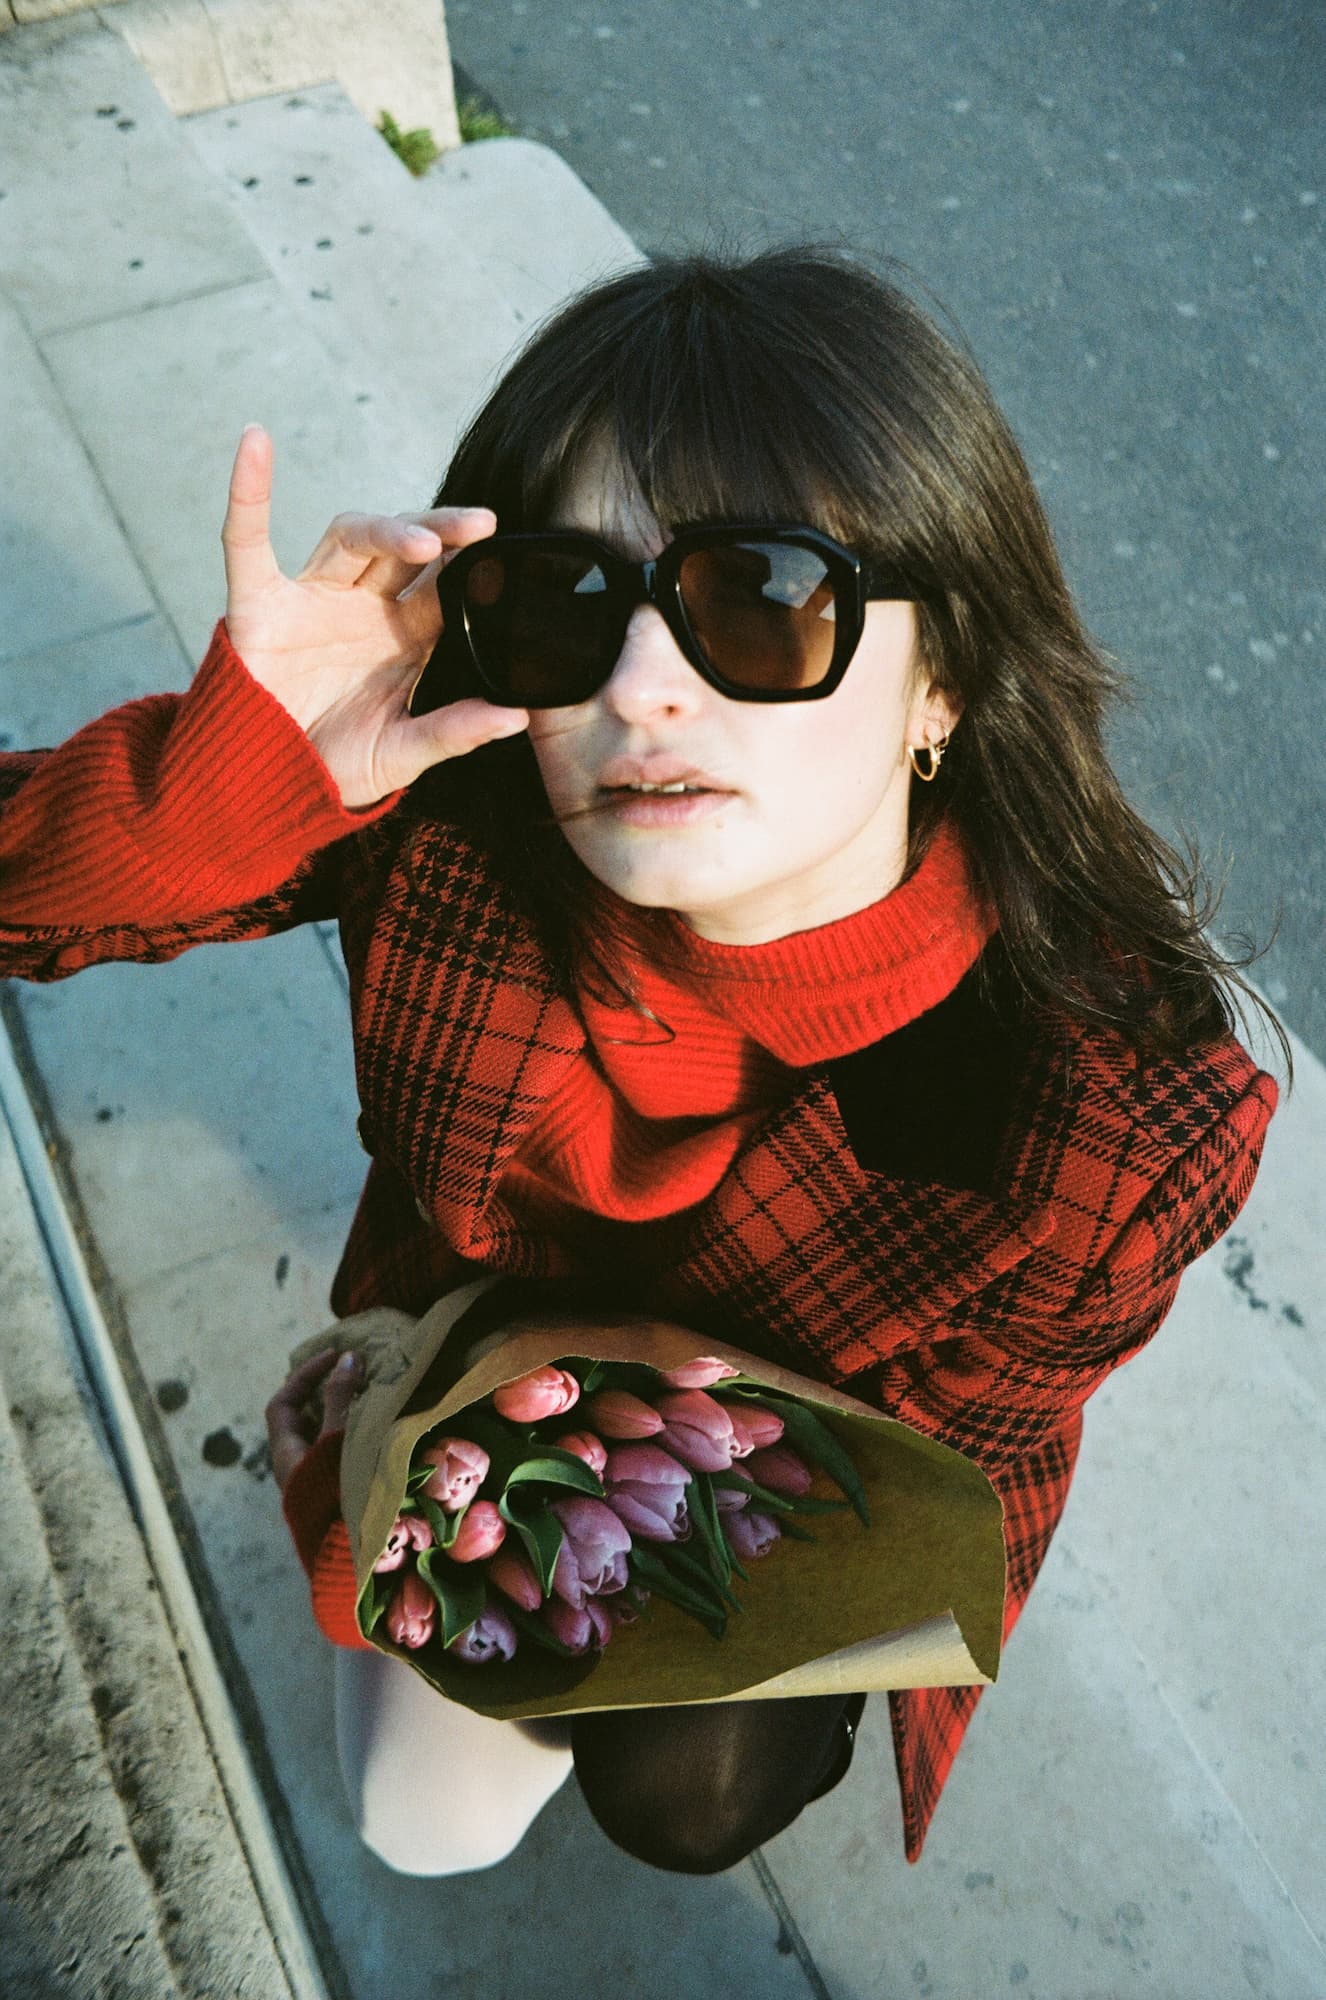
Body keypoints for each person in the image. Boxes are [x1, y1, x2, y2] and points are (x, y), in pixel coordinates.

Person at [0, 247, 1282, 1879]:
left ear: (942, 679)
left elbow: (919, 1475)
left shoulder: (1100, 1125)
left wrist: (421, 1441)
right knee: (417, 1826)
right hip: (471, 1340)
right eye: (563, 600)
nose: (636, 685)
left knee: (694, 1787)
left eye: (759, 598)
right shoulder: (457, 824)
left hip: (783, 1447)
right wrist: (228, 786)